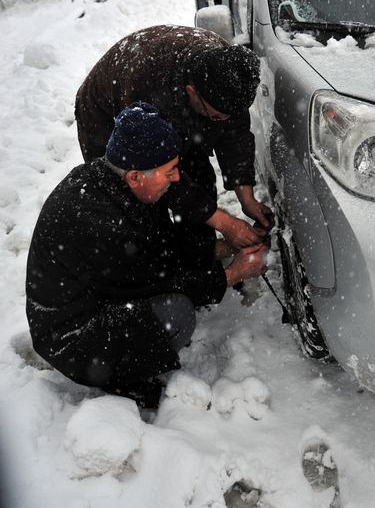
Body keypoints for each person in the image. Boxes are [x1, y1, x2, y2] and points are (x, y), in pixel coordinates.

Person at [26, 103, 269, 408]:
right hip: (72, 336)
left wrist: (221, 247)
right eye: (170, 171)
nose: (177, 177)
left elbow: (159, 250)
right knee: (176, 314)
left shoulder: (114, 182)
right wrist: (232, 274)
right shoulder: (102, 225)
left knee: (170, 231)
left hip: (97, 292)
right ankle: (120, 379)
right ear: (135, 177)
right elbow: (163, 282)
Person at [74, 25, 273, 241]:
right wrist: (225, 224)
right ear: (192, 92)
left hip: (173, 100)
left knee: (199, 177)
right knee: (136, 198)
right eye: (216, 116)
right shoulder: (151, 87)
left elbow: (235, 137)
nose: (222, 122)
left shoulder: (231, 73)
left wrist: (246, 198)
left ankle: (200, 256)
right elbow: (159, 174)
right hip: (103, 114)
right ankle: (155, 262)